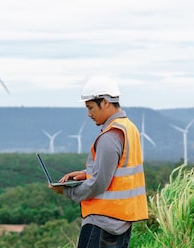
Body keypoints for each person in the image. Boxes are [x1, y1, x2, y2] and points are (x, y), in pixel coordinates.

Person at [49, 75, 148, 248]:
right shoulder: (129, 128)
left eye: (90, 107)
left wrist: (66, 191)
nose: (89, 114)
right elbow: (118, 171)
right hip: (121, 221)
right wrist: (86, 174)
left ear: (105, 102)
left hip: (103, 223)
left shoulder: (110, 137)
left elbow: (98, 184)